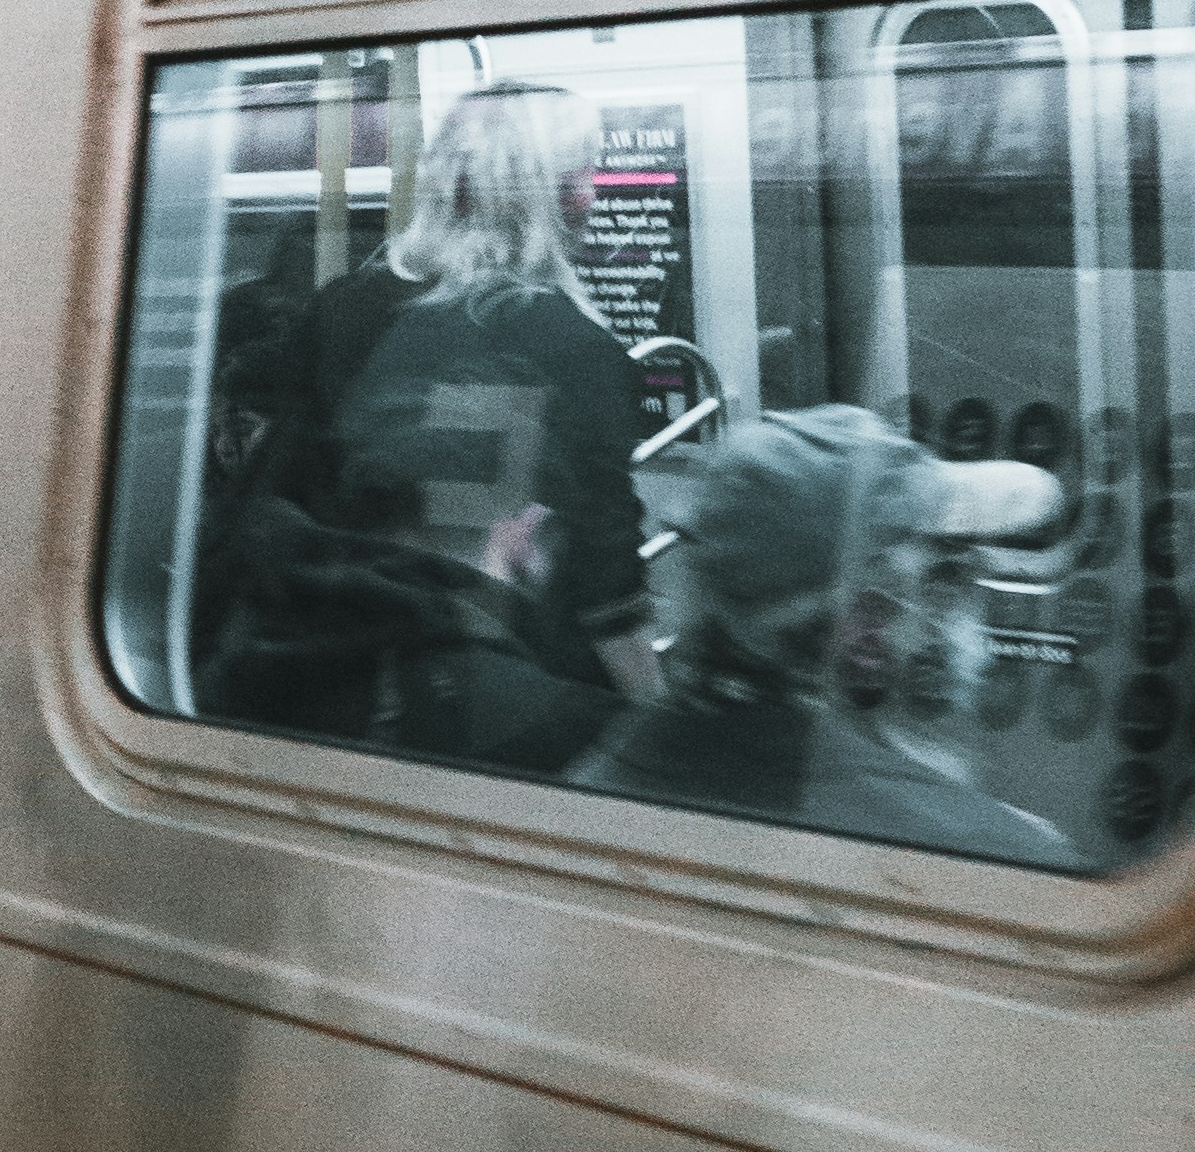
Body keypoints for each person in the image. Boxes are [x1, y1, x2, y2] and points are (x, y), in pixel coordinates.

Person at [196, 79, 656, 778]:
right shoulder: (577, 351)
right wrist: (657, 718)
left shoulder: (345, 310)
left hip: (331, 669)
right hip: (502, 687)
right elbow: (607, 589)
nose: (592, 198)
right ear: (531, 192)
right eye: (578, 177)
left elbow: (283, 450)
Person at [572, 408, 1083, 866]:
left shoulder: (590, 792)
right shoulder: (995, 857)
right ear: (865, 623)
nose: (956, 611)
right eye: (943, 578)